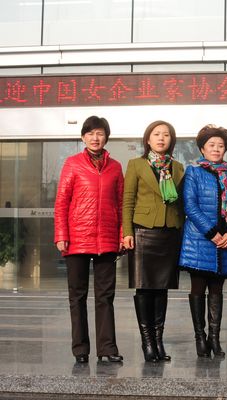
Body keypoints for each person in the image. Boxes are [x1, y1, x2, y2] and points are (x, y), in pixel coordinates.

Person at [54, 115, 124, 364]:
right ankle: (80, 349)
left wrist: (121, 235)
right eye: (91, 133)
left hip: (107, 239)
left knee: (105, 296)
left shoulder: (115, 167)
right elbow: (62, 202)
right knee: (77, 296)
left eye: (100, 133)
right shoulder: (72, 164)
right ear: (83, 137)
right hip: (77, 238)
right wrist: (61, 235)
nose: (95, 138)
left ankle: (107, 348)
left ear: (106, 137)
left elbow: (121, 204)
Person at [122, 120, 184, 362]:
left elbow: (181, 203)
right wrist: (127, 232)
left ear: (171, 140)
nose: (161, 138)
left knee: (162, 288)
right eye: (156, 134)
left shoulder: (178, 167)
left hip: (170, 232)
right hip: (143, 231)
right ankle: (147, 343)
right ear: (148, 139)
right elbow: (128, 200)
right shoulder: (136, 164)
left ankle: (159, 341)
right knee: (144, 287)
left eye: (166, 135)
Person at [179, 124, 227, 358]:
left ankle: (214, 338)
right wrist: (213, 233)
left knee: (217, 289)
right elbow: (190, 206)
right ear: (202, 149)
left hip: (224, 242)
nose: (216, 149)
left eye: (220, 145)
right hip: (199, 241)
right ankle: (200, 338)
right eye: (211, 145)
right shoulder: (193, 172)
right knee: (198, 287)